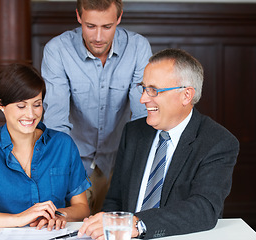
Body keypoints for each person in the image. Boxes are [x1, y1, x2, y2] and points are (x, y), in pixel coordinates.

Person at [78, 48, 240, 239]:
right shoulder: (133, 133)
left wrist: (139, 224)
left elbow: (204, 209)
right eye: (144, 88)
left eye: (154, 90)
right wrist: (106, 227)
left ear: (186, 95)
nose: (143, 99)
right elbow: (115, 199)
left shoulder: (218, 142)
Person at [41, 0, 152, 214]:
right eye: (90, 26)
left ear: (119, 18)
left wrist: (137, 171)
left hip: (120, 160)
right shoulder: (57, 50)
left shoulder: (138, 48)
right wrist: (64, 175)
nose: (98, 37)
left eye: (107, 26)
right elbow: (56, 121)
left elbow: (142, 115)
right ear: (79, 17)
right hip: (73, 161)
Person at [0, 64, 90, 230]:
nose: (30, 114)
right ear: (0, 103)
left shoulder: (62, 144)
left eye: (37, 104)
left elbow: (82, 207)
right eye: (21, 106)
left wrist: (59, 214)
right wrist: (18, 219)